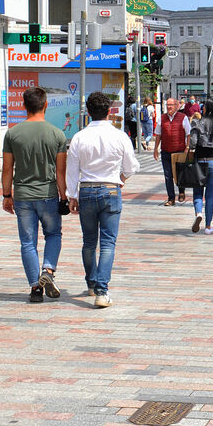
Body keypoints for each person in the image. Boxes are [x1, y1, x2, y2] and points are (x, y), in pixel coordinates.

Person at [66, 91, 139, 308]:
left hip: (86, 190)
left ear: (88, 113)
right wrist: (120, 179)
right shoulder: (120, 136)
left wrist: (72, 195)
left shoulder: (79, 137)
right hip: (110, 189)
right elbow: (131, 166)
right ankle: (102, 290)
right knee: (108, 243)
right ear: (109, 112)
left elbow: (72, 170)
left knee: (89, 241)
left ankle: (91, 282)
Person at [1, 86, 68, 303]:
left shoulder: (12, 133)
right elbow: (60, 171)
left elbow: (7, 168)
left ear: (24, 106)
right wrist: (64, 197)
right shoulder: (57, 134)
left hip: (22, 195)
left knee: (28, 242)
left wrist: (6, 195)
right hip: (48, 194)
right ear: (45, 105)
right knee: (53, 234)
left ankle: (35, 288)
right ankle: (47, 271)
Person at [189, 100, 213, 234]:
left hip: (199, 160)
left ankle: (198, 213)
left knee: (198, 191)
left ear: (208, 108)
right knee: (210, 194)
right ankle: (208, 226)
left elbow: (192, 143)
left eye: (204, 107)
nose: (202, 108)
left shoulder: (198, 122)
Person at [154, 97, 190, 206]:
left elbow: (188, 134)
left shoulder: (183, 117)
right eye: (168, 105)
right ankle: (171, 198)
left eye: (171, 105)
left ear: (177, 106)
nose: (169, 107)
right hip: (165, 151)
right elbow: (158, 134)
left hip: (179, 151)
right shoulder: (162, 118)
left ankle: (182, 191)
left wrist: (187, 147)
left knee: (180, 174)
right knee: (168, 175)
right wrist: (155, 149)